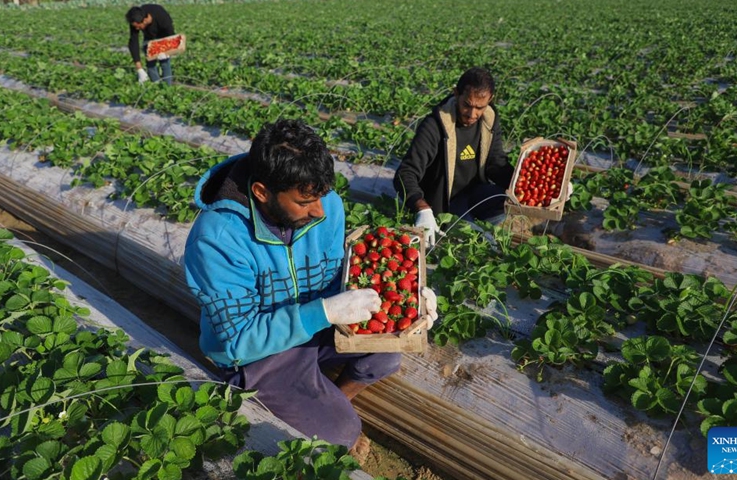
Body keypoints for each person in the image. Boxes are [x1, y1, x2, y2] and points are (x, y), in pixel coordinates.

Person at [184, 119, 438, 452]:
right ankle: (321, 408)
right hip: (261, 353)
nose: (319, 211)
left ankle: (333, 397)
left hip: (318, 323)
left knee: (391, 348)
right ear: (262, 193)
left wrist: (407, 301)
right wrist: (323, 311)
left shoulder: (325, 204)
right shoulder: (217, 239)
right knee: (342, 433)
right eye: (304, 203)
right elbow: (237, 342)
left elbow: (340, 273)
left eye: (321, 196)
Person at [394, 67, 514, 247]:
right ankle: (469, 228)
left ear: (490, 100)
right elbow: (405, 173)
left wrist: (535, 185)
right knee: (473, 240)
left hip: (475, 192)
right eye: (467, 104)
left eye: (480, 107)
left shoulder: (489, 120)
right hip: (445, 202)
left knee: (507, 200)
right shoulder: (435, 126)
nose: (472, 114)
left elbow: (496, 164)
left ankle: (478, 225)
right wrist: (422, 208)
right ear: (456, 93)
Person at [126, 4, 174, 85]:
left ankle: (167, 88)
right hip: (149, 37)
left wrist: (168, 49)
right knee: (150, 60)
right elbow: (133, 42)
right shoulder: (135, 19)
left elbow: (171, 34)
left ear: (145, 20)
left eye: (138, 27)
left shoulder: (162, 16)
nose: (137, 29)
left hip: (163, 36)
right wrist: (139, 69)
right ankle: (155, 85)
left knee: (164, 61)